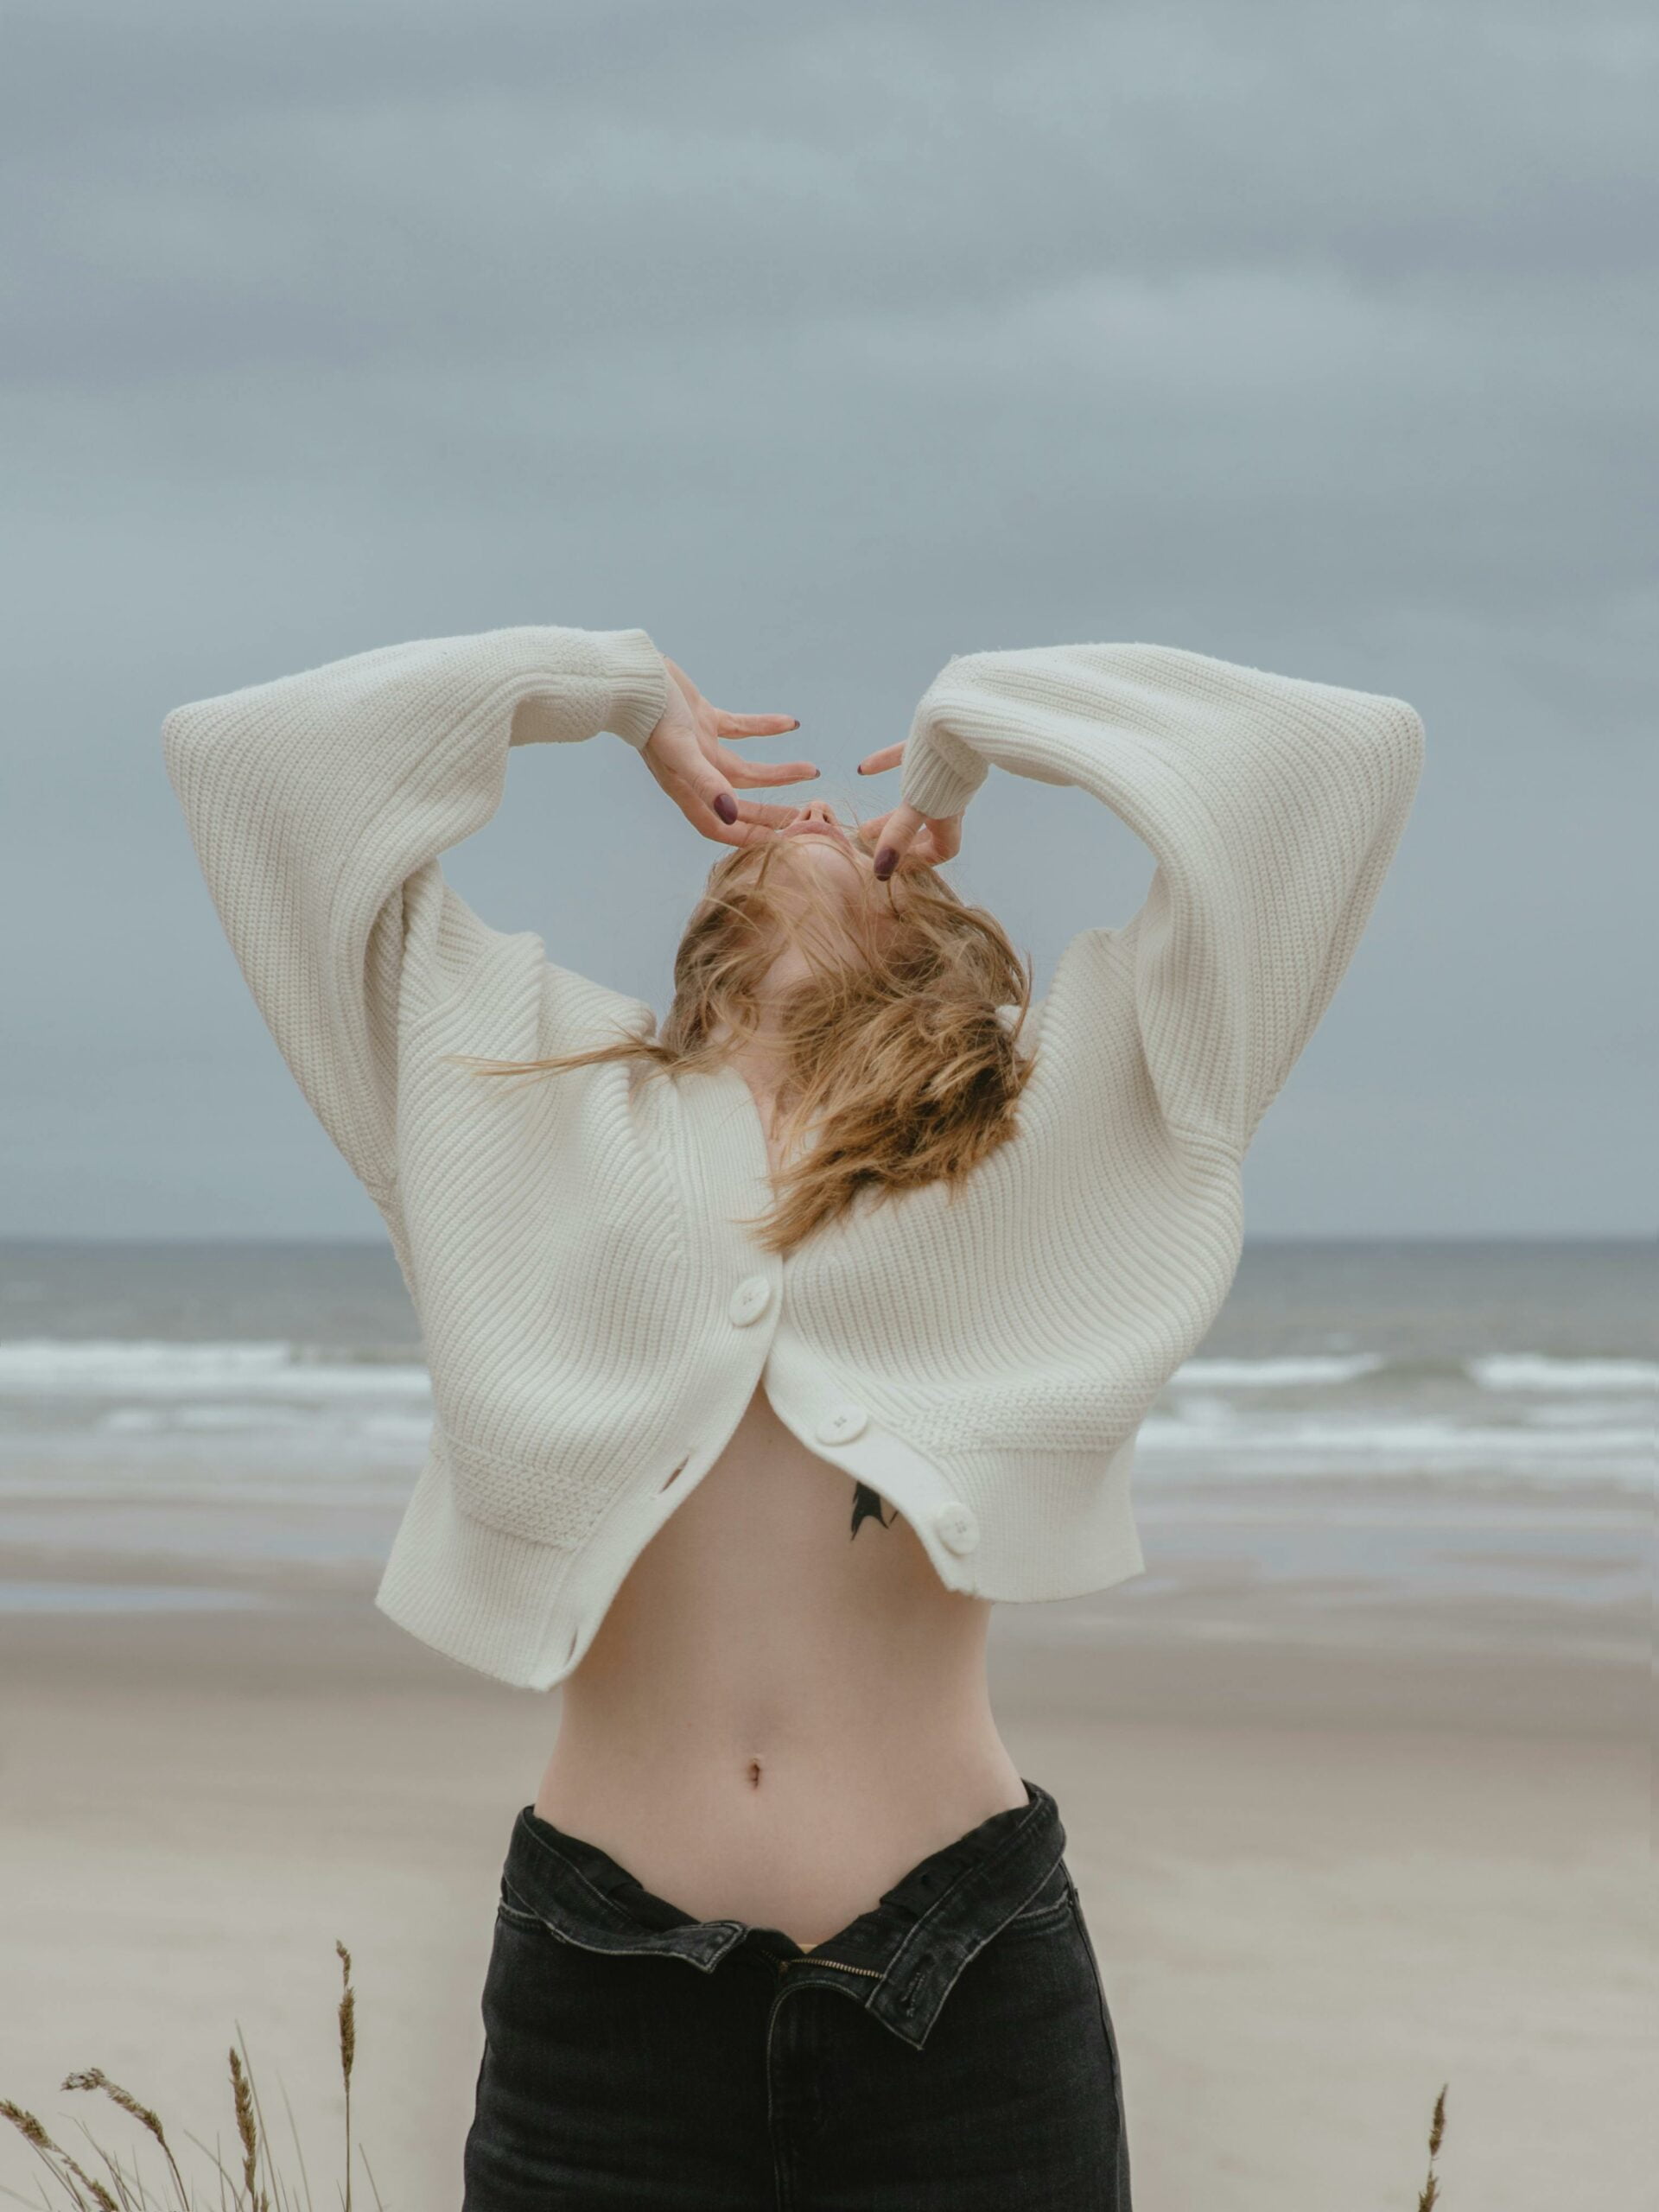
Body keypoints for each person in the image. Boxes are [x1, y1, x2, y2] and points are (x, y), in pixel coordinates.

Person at [162, 620, 1424, 2209]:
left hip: (965, 1993)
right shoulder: (509, 1094)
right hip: (596, 2009)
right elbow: (250, 762)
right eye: (774, 824)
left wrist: (982, 717)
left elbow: (1336, 763)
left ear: (935, 929)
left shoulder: (1056, 1119)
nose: (809, 815)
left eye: (852, 821)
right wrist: (612, 687)